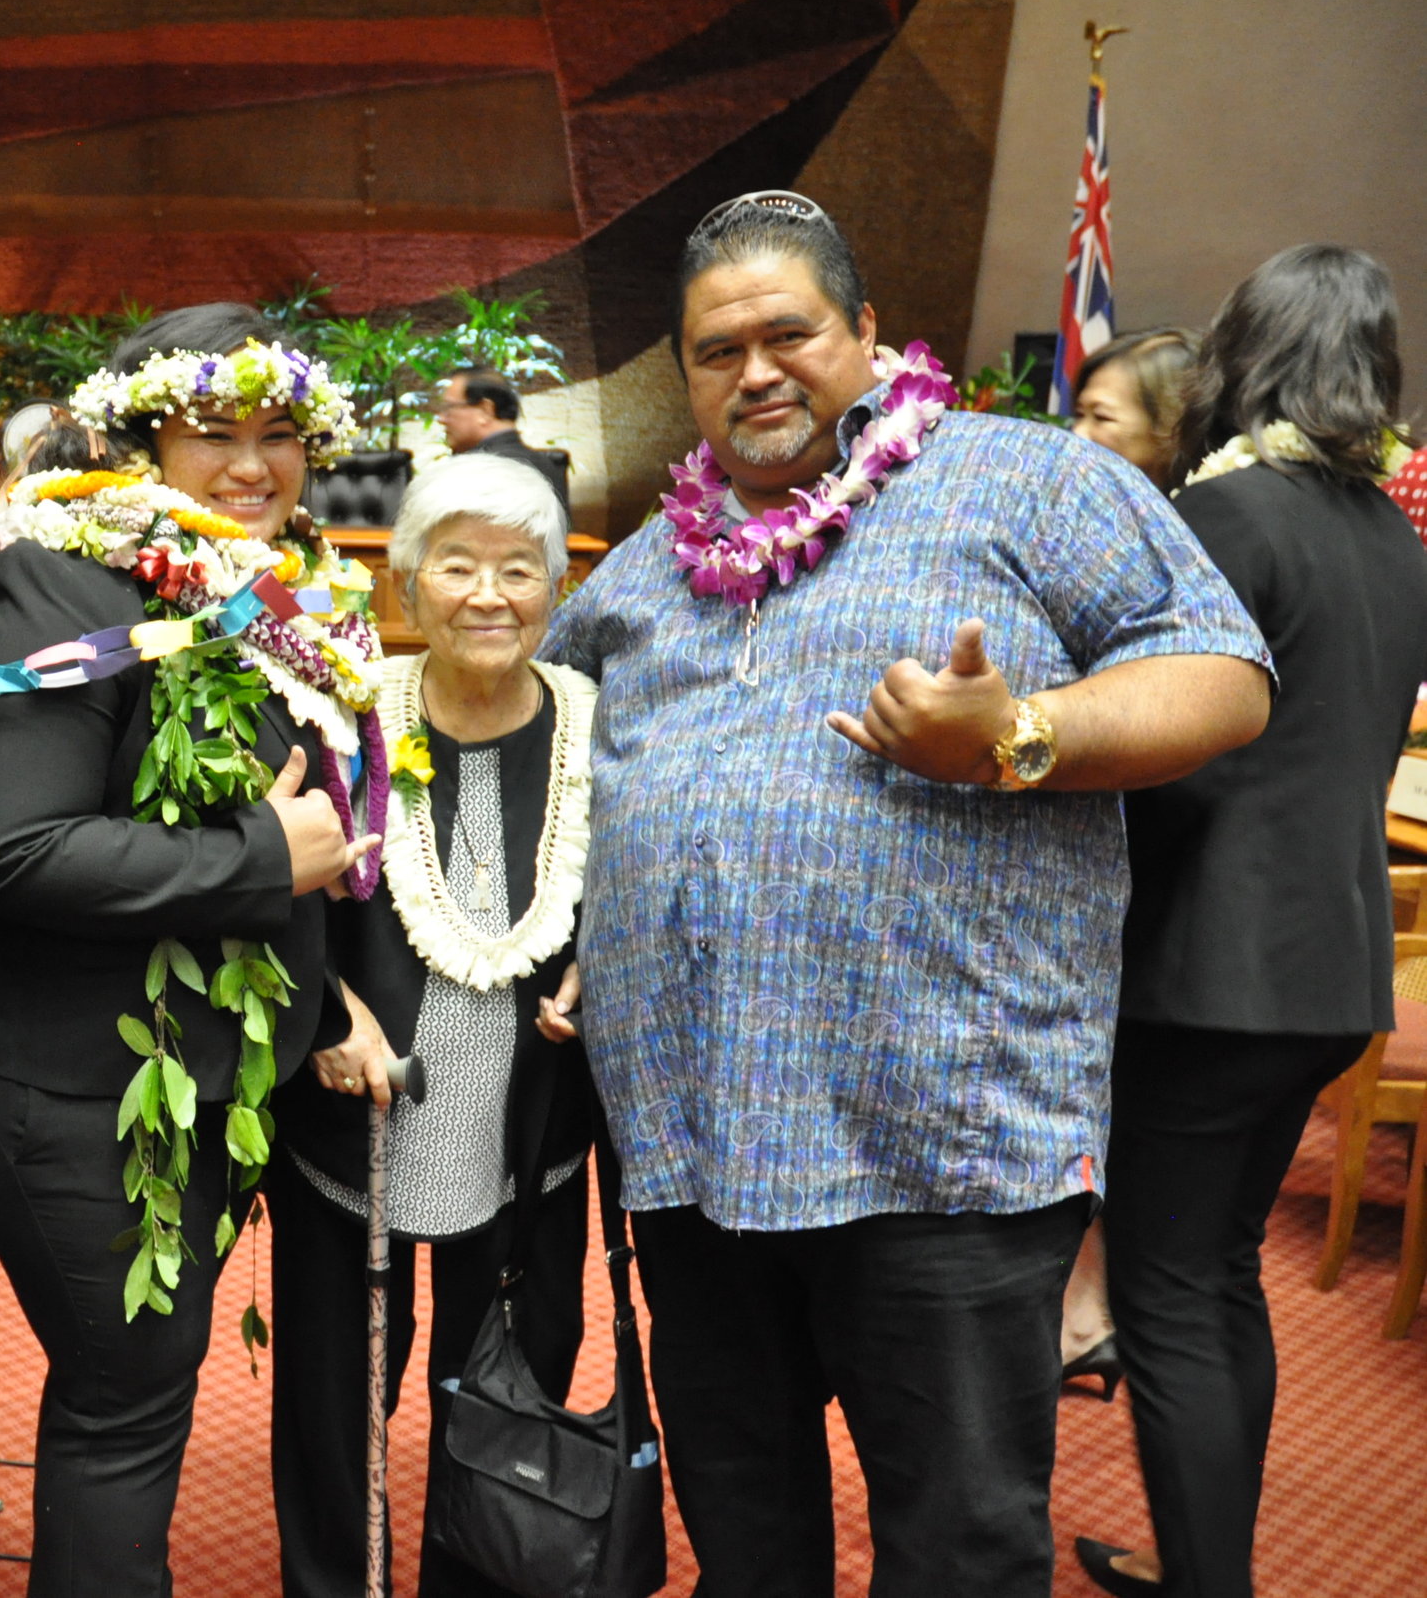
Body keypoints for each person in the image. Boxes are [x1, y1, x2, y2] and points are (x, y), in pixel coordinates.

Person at [539, 190, 1273, 1597]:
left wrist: (1015, 738)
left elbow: (1225, 676)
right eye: (713, 351)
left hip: (940, 1150)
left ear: (867, 332)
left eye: (788, 332)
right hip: (697, 1152)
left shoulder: (1030, 483)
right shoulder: (638, 573)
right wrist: (564, 923)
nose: (753, 371)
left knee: (959, 1546)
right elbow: (555, 764)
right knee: (748, 1544)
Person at [0, 303, 383, 1596]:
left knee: (140, 1391)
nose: (255, 463)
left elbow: (300, 812)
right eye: (215, 433)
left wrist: (328, 987)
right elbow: (9, 848)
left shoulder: (276, 590)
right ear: (139, 443)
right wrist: (262, 864)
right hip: (70, 1090)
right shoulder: (62, 578)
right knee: (125, 1403)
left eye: (281, 434)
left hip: (188, 1084)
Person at [1073, 246, 1427, 1598]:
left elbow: (1172, 761)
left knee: (1168, 1291)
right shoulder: (1390, 533)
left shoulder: (1233, 519)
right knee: (1215, 1278)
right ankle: (1202, 1566)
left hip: (1209, 970)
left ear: (1245, 354)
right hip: (1329, 968)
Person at [267, 451, 601, 1597]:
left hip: (529, 1129)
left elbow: (651, 880)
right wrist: (318, 1007)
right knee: (332, 1400)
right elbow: (274, 882)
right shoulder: (346, 716)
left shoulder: (596, 730)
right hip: (353, 1114)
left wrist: (600, 966)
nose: (487, 593)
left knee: (507, 1384)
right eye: (454, 564)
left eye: (519, 567)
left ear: (555, 586)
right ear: (405, 584)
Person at [1058, 323, 1201, 1393]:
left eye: (1101, 419)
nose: (1076, 437)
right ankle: (1082, 1302)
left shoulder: (1190, 551)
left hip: (1165, 895)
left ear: (1171, 435)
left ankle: (1085, 1306)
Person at [1072, 327, 1200, 491]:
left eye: (1101, 417)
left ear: (1173, 423)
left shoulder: (1209, 510)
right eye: (1079, 414)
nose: (1078, 432)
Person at [434, 366, 568, 512]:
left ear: (485, 410)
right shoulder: (546, 466)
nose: (441, 419)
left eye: (449, 408)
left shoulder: (475, 473)